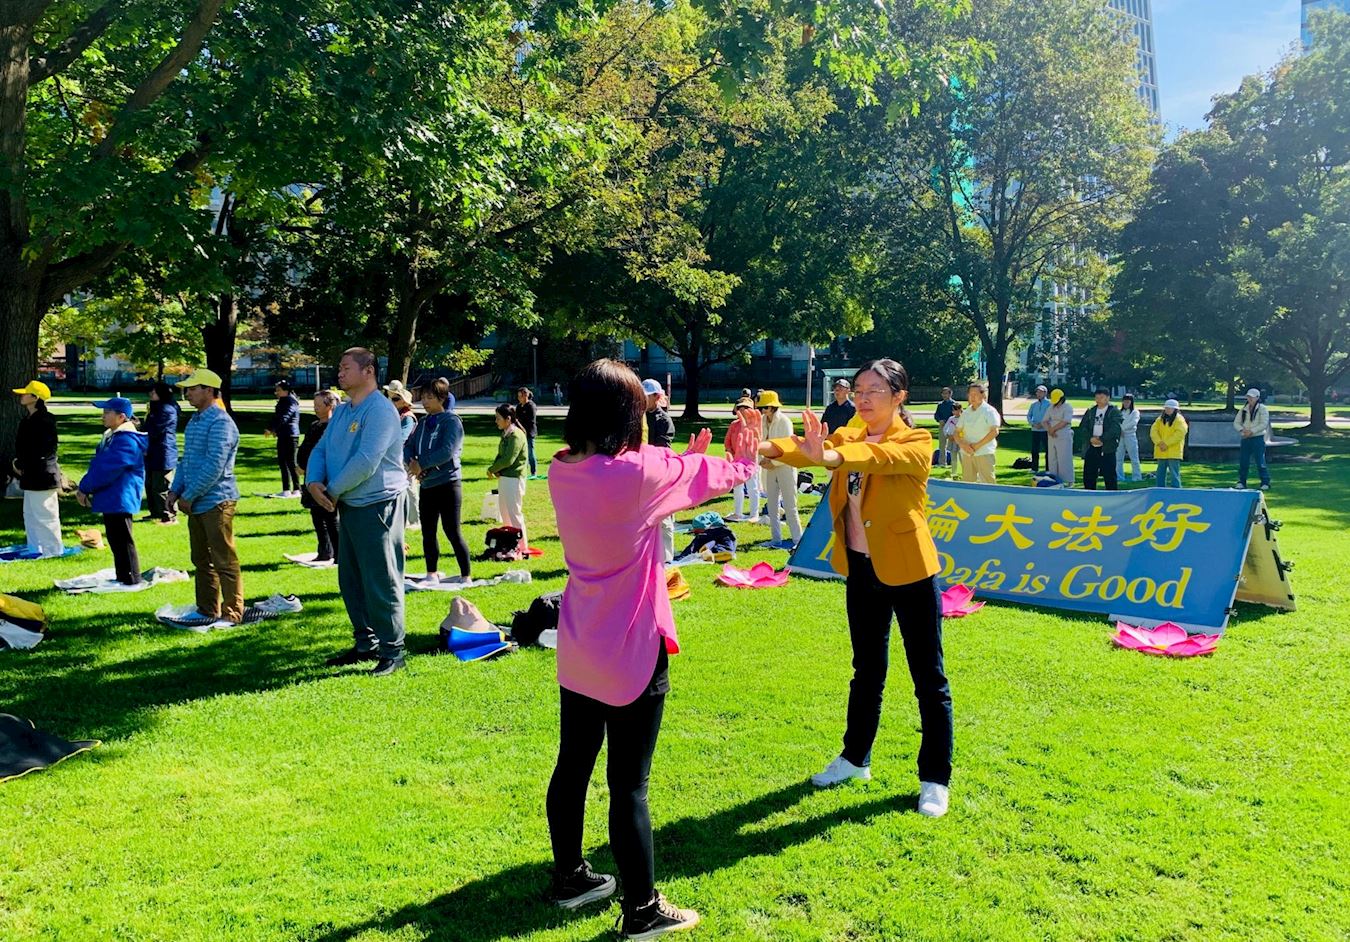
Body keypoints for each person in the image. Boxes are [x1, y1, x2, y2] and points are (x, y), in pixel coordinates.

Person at [546, 359, 758, 937]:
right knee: (629, 785)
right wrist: (740, 457)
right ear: (628, 415)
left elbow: (676, 466)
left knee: (573, 765)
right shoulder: (639, 474)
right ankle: (640, 910)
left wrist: (686, 458)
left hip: (580, 640)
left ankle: (571, 878)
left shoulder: (562, 470)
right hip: (632, 644)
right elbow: (713, 473)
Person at [758, 359, 952, 817]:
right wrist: (761, 444)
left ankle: (934, 778)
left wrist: (828, 457)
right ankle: (854, 758)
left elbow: (873, 459)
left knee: (930, 678)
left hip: (911, 571)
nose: (863, 398)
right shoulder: (848, 434)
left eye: (874, 390)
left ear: (899, 396)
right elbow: (810, 447)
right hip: (862, 569)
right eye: (859, 390)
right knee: (866, 670)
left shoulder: (916, 441)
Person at [308, 348, 409, 676]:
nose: (340, 373)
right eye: (339, 367)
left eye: (345, 367)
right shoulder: (342, 411)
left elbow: (367, 461)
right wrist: (313, 482)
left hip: (377, 504)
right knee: (351, 579)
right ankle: (366, 644)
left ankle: (393, 650)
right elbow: (321, 448)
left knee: (381, 578)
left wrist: (332, 490)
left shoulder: (379, 410)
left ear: (368, 371)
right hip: (349, 504)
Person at [167, 369, 243, 626]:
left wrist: (188, 495)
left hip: (217, 501)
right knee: (201, 559)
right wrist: (175, 490)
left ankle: (232, 613)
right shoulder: (196, 421)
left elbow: (215, 465)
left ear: (209, 390)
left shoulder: (221, 423)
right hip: (197, 500)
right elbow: (187, 461)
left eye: (192, 388)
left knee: (224, 559)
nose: (187, 393)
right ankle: (207, 609)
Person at [406, 379, 471, 584]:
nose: (424, 401)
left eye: (430, 397)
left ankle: (465, 575)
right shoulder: (423, 422)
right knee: (428, 531)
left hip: (448, 484)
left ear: (442, 398)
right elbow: (409, 444)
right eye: (423, 397)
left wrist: (422, 464)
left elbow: (446, 451)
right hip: (427, 485)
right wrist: (412, 463)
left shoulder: (451, 421)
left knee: (452, 530)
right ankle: (431, 573)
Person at [77, 398, 148, 585]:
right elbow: (99, 465)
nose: (103, 416)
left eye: (107, 412)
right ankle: (123, 575)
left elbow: (107, 469)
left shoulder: (126, 440)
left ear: (121, 417)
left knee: (123, 539)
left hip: (120, 496)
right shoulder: (113, 436)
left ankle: (132, 577)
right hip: (113, 496)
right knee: (116, 539)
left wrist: (84, 488)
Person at [10, 380, 63, 557]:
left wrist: (25, 464)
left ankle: (52, 551)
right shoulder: (28, 419)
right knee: (30, 514)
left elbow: (45, 449)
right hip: (31, 473)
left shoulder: (45, 420)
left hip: (42, 474)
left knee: (45, 514)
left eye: (25, 393)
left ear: (35, 397)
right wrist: (19, 463)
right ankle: (35, 548)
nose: (21, 396)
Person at [298, 389, 341, 563]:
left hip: (324, 478)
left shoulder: (333, 426)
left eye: (319, 405)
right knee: (316, 516)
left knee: (329, 517)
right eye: (314, 404)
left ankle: (339, 553)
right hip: (310, 476)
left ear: (330, 405)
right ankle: (324, 551)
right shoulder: (314, 425)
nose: (315, 408)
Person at [757, 390, 803, 549]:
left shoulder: (785, 422)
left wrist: (774, 463)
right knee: (772, 504)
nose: (762, 411)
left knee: (790, 505)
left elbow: (788, 448)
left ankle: (798, 540)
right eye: (761, 407)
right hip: (768, 467)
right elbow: (761, 442)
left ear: (772, 407)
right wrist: (763, 461)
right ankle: (776, 539)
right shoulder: (763, 421)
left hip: (785, 467)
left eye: (765, 407)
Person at [642, 379, 678, 562]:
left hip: (660, 473)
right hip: (640, 474)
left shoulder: (663, 420)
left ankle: (666, 560)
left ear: (656, 397)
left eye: (646, 396)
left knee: (664, 519)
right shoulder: (637, 416)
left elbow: (663, 449)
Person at [487, 402, 530, 554]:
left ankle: (523, 546)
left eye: (498, 418)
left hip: (514, 479)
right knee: (505, 512)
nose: (496, 421)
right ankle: (509, 543)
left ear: (508, 419)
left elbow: (508, 459)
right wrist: (496, 469)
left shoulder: (516, 435)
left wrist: (492, 469)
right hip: (505, 478)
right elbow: (500, 456)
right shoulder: (506, 433)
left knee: (514, 512)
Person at [384, 380, 420, 531]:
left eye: (396, 398)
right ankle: (403, 519)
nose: (392, 401)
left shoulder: (408, 418)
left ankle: (415, 521)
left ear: (403, 401)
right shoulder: (395, 415)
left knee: (410, 488)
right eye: (390, 397)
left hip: (406, 459)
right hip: (396, 458)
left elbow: (402, 439)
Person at [143, 382, 180, 524]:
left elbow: (155, 430)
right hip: (152, 452)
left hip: (163, 452)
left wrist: (141, 430)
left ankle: (169, 515)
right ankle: (155, 512)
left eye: (153, 392)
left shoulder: (167, 409)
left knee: (162, 486)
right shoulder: (155, 408)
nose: (150, 395)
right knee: (150, 484)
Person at [954, 382, 1000, 484]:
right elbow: (956, 432)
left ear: (983, 395)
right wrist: (963, 445)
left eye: (975, 394)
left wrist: (976, 446)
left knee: (988, 482)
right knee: (967, 483)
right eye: (970, 394)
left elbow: (994, 431)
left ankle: (990, 500)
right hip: (967, 453)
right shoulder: (966, 413)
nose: (972, 397)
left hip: (984, 452)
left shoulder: (989, 411)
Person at [723, 397, 762, 521]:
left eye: (746, 408)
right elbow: (727, 441)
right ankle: (738, 512)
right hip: (736, 461)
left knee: (753, 487)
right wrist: (730, 453)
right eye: (740, 408)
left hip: (751, 460)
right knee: (737, 487)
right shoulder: (734, 425)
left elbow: (759, 441)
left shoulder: (755, 425)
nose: (743, 410)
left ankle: (754, 514)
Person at [1078, 388, 1121, 491]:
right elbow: (1083, 427)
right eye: (1097, 397)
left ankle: (1111, 495)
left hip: (1107, 448)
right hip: (1092, 447)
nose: (1099, 400)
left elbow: (1115, 429)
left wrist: (1102, 439)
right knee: (1089, 473)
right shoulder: (1091, 411)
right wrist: (1090, 438)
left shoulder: (1113, 411)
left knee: (1109, 473)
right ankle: (1089, 493)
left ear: (1107, 398)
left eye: (1101, 397)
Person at [264, 380, 302, 497]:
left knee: (290, 462)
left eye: (279, 390)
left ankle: (297, 489)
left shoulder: (290, 402)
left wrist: (272, 429)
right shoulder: (283, 401)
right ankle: (286, 489)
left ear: (286, 390)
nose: (276, 392)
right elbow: (277, 417)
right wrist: (275, 429)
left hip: (290, 435)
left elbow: (284, 417)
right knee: (282, 462)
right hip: (284, 434)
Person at [1234, 387, 1271, 491]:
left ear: (1257, 398)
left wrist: (1252, 431)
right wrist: (1242, 431)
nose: (1249, 399)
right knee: (1243, 461)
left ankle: (1265, 482)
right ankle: (1241, 482)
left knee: (1260, 461)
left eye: (1252, 397)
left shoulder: (1262, 409)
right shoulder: (1244, 409)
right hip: (1245, 439)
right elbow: (1236, 423)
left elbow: (1263, 423)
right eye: (1248, 397)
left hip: (1257, 438)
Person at [1151, 399, 1188, 488]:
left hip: (1173, 451)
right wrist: (1159, 443)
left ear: (1175, 409)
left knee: (1174, 473)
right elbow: (1153, 431)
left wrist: (1166, 444)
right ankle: (1160, 489)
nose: (1167, 410)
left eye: (1170, 408)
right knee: (1160, 472)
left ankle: (1176, 490)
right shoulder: (1159, 419)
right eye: (1166, 408)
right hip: (1161, 451)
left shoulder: (1179, 419)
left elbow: (1180, 433)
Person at [1044, 389, 1076, 485]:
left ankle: (1069, 480)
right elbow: (1044, 420)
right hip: (1051, 435)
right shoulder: (1050, 407)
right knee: (1052, 458)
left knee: (1064, 458)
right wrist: (1049, 430)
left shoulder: (1067, 407)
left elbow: (1065, 421)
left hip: (1064, 433)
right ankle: (1054, 479)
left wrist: (1053, 429)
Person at [1116, 394, 1142, 483]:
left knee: (1134, 457)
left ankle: (1137, 476)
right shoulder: (1120, 412)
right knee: (1118, 457)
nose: (1126, 403)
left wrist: (1123, 429)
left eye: (1128, 401)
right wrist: (1119, 430)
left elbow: (1133, 422)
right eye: (1124, 401)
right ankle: (1119, 476)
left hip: (1130, 435)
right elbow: (1117, 422)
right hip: (1120, 436)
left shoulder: (1135, 412)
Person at [517, 386, 540, 478]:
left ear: (525, 395)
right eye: (518, 396)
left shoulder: (531, 406)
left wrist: (523, 428)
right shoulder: (519, 406)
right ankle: (523, 471)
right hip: (521, 433)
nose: (519, 398)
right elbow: (516, 419)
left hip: (529, 433)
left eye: (520, 396)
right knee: (521, 453)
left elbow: (530, 420)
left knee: (530, 452)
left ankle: (533, 472)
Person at [1026, 385, 1050, 473]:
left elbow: (1051, 417)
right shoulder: (1034, 405)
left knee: (1048, 450)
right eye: (1037, 392)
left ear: (1044, 393)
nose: (1038, 394)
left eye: (1040, 392)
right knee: (1035, 449)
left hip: (1045, 430)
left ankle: (1048, 468)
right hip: (1035, 430)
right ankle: (1034, 468)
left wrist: (1043, 424)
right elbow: (1029, 415)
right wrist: (1033, 424)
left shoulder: (1049, 404)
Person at [933, 386, 957, 469]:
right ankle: (942, 462)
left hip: (952, 428)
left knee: (953, 445)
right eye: (943, 393)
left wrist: (949, 421)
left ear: (950, 394)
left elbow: (957, 415)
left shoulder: (954, 404)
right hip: (942, 427)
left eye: (946, 393)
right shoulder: (940, 405)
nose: (944, 395)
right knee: (942, 445)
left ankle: (954, 462)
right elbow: (936, 415)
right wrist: (939, 420)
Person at [942, 404, 963, 478]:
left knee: (962, 458)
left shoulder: (963, 418)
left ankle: (965, 473)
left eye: (955, 410)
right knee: (953, 458)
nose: (954, 412)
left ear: (960, 410)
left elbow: (964, 429)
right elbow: (945, 428)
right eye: (953, 410)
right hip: (951, 440)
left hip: (961, 441)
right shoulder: (951, 418)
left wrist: (957, 436)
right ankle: (954, 473)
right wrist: (948, 435)